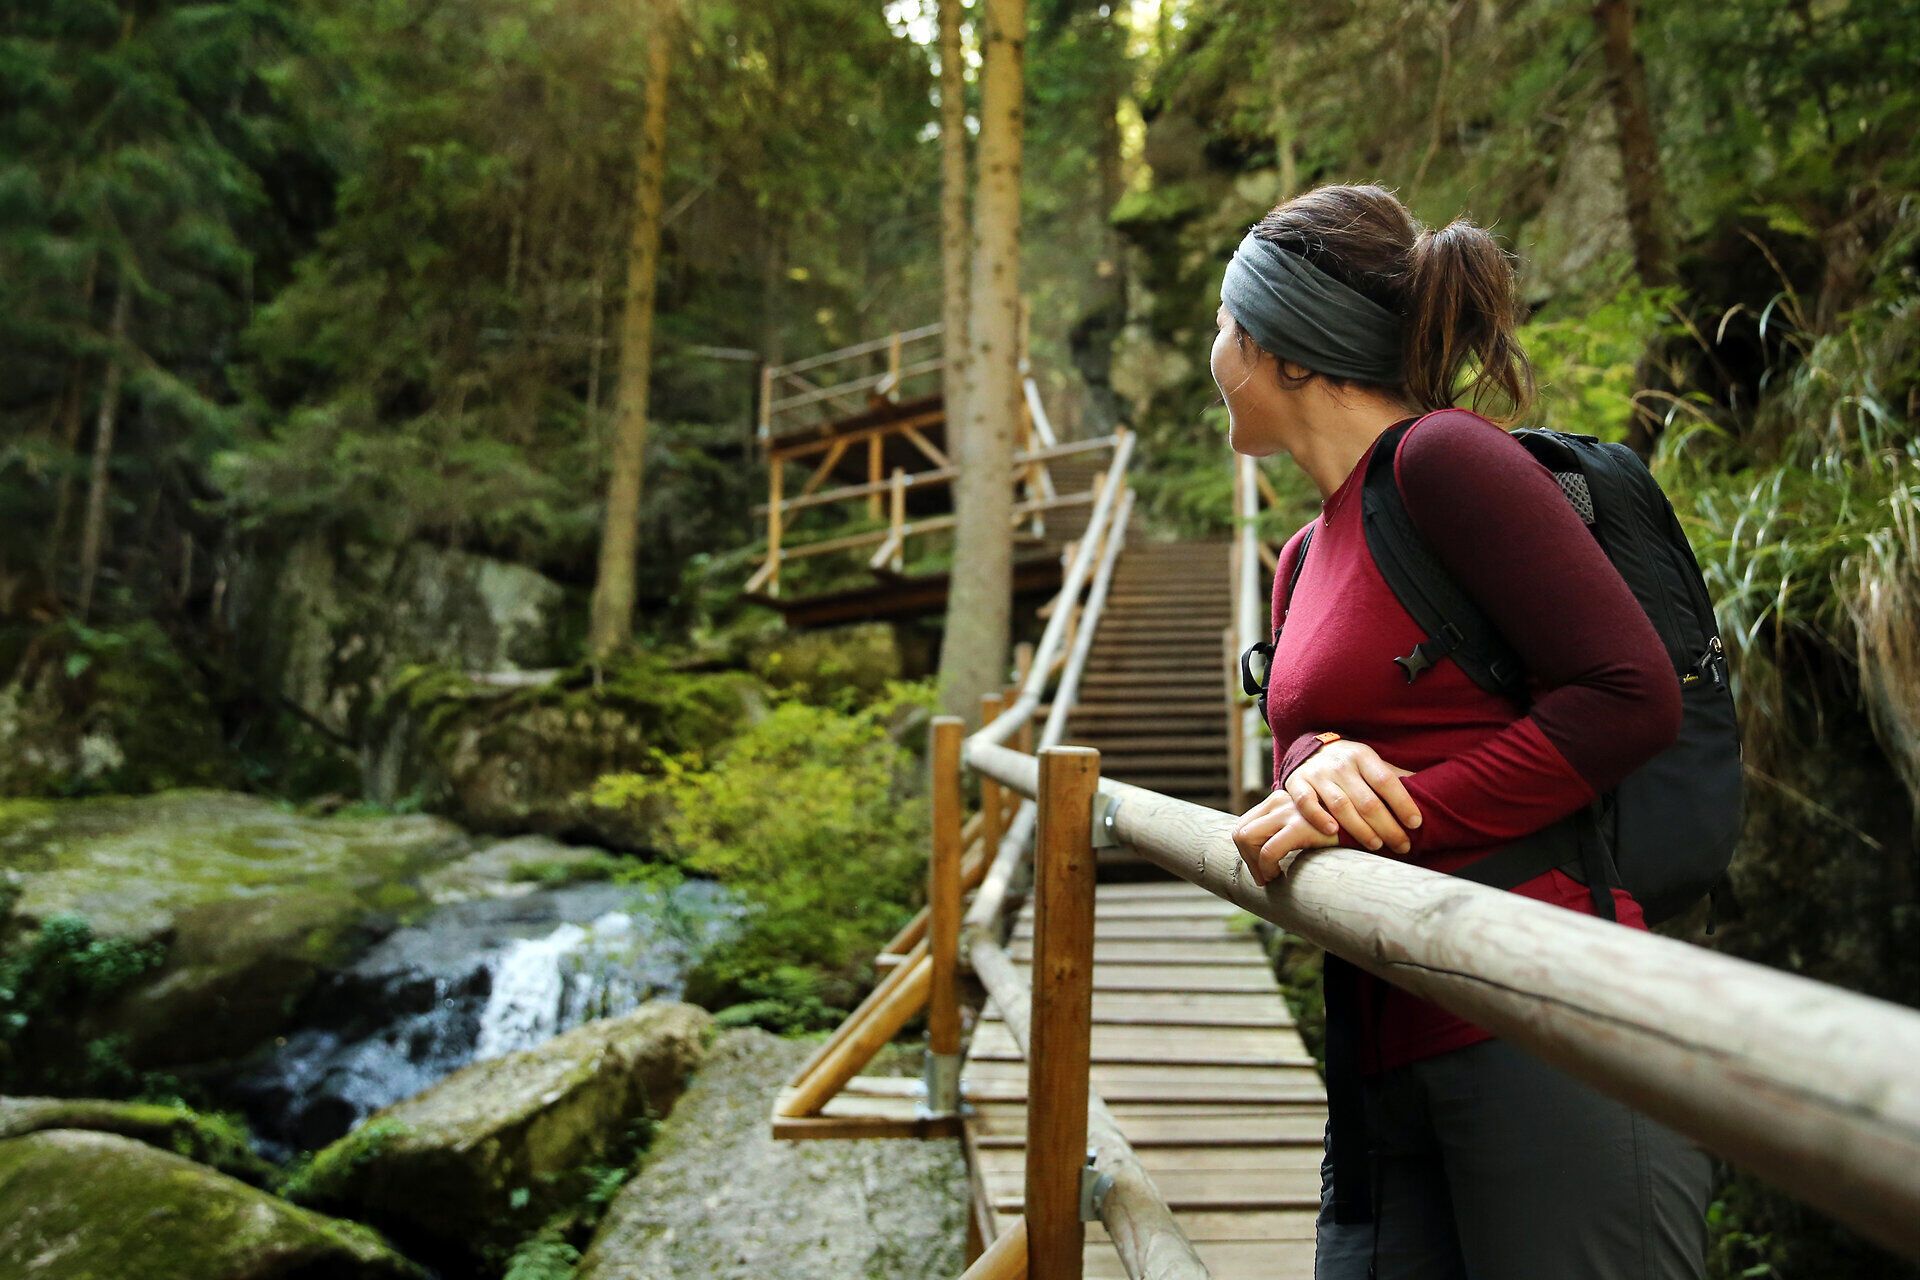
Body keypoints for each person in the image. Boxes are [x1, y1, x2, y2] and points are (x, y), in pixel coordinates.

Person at [1214, 183, 1712, 1280]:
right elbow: (1313, 734)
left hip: (1547, 1017)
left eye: (1224, 322)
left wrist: (1401, 812)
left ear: (1283, 350)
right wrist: (1312, 762)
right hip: (1382, 1041)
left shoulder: (1444, 458)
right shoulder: (1303, 555)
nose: (1215, 351)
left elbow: (1630, 692)